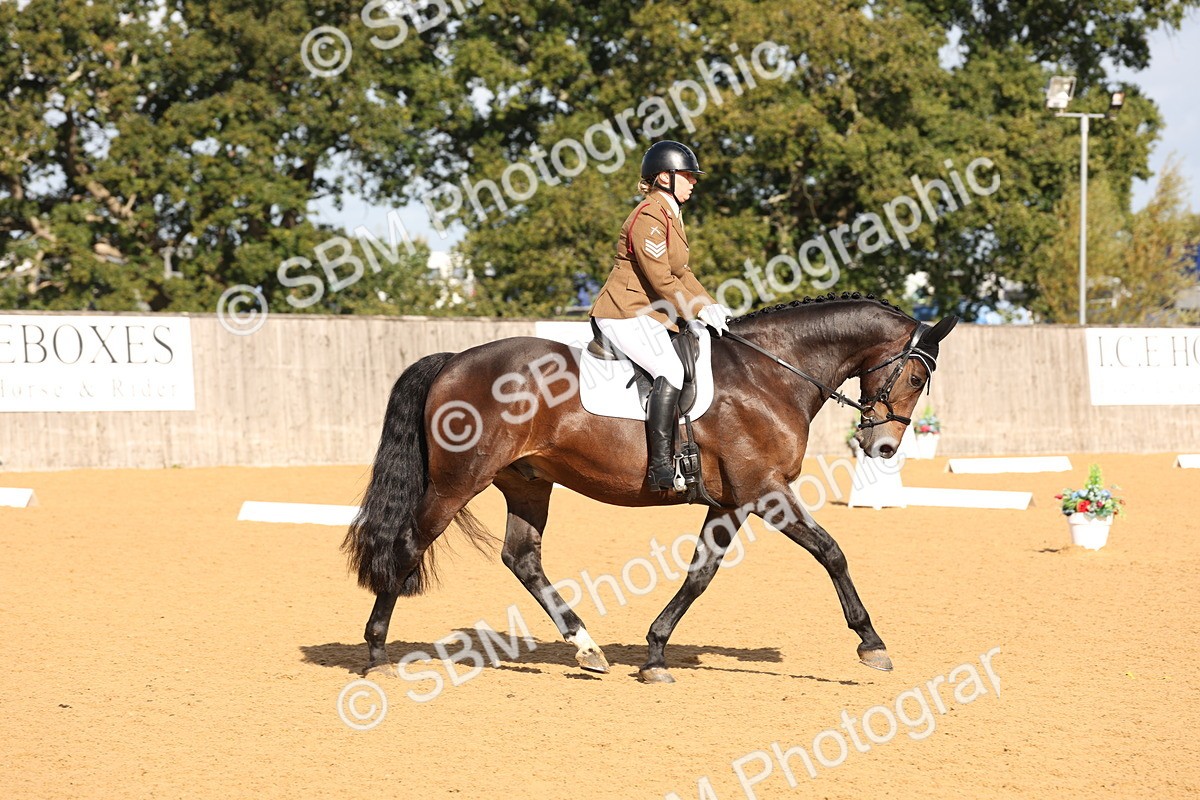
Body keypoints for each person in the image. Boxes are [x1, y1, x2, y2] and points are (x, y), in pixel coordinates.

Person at [590, 141, 733, 491]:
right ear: (664, 177)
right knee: (669, 368)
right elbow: (660, 278)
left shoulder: (670, 215)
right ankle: (659, 465)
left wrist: (710, 305)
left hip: (649, 313)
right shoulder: (649, 216)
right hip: (624, 311)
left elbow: (682, 272)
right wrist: (697, 308)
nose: (693, 182)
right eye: (687, 175)